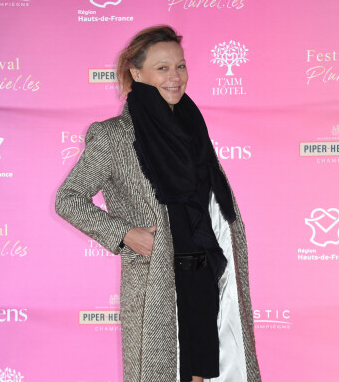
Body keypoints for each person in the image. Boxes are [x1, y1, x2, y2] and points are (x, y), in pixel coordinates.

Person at [56, 25, 261, 382]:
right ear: (137, 73)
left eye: (180, 66)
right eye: (162, 68)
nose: (175, 77)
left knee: (203, 375)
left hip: (204, 276)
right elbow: (68, 199)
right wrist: (125, 234)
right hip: (158, 283)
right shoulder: (113, 135)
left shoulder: (193, 128)